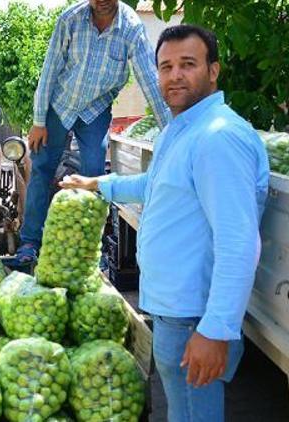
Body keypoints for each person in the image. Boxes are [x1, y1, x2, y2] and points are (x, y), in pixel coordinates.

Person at [60, 24, 270, 421]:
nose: (174, 76)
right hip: (176, 312)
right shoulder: (183, 129)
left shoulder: (217, 137)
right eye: (166, 66)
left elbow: (239, 242)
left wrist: (215, 329)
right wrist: (97, 184)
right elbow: (154, 185)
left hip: (194, 316)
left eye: (188, 64)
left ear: (213, 71)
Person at [16, 0, 171, 263]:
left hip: (95, 110)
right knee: (42, 167)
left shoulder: (131, 27)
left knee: (94, 172)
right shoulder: (70, 20)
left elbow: (149, 81)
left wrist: (173, 132)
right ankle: (30, 241)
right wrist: (39, 120)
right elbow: (49, 71)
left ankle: (89, 245)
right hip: (60, 105)